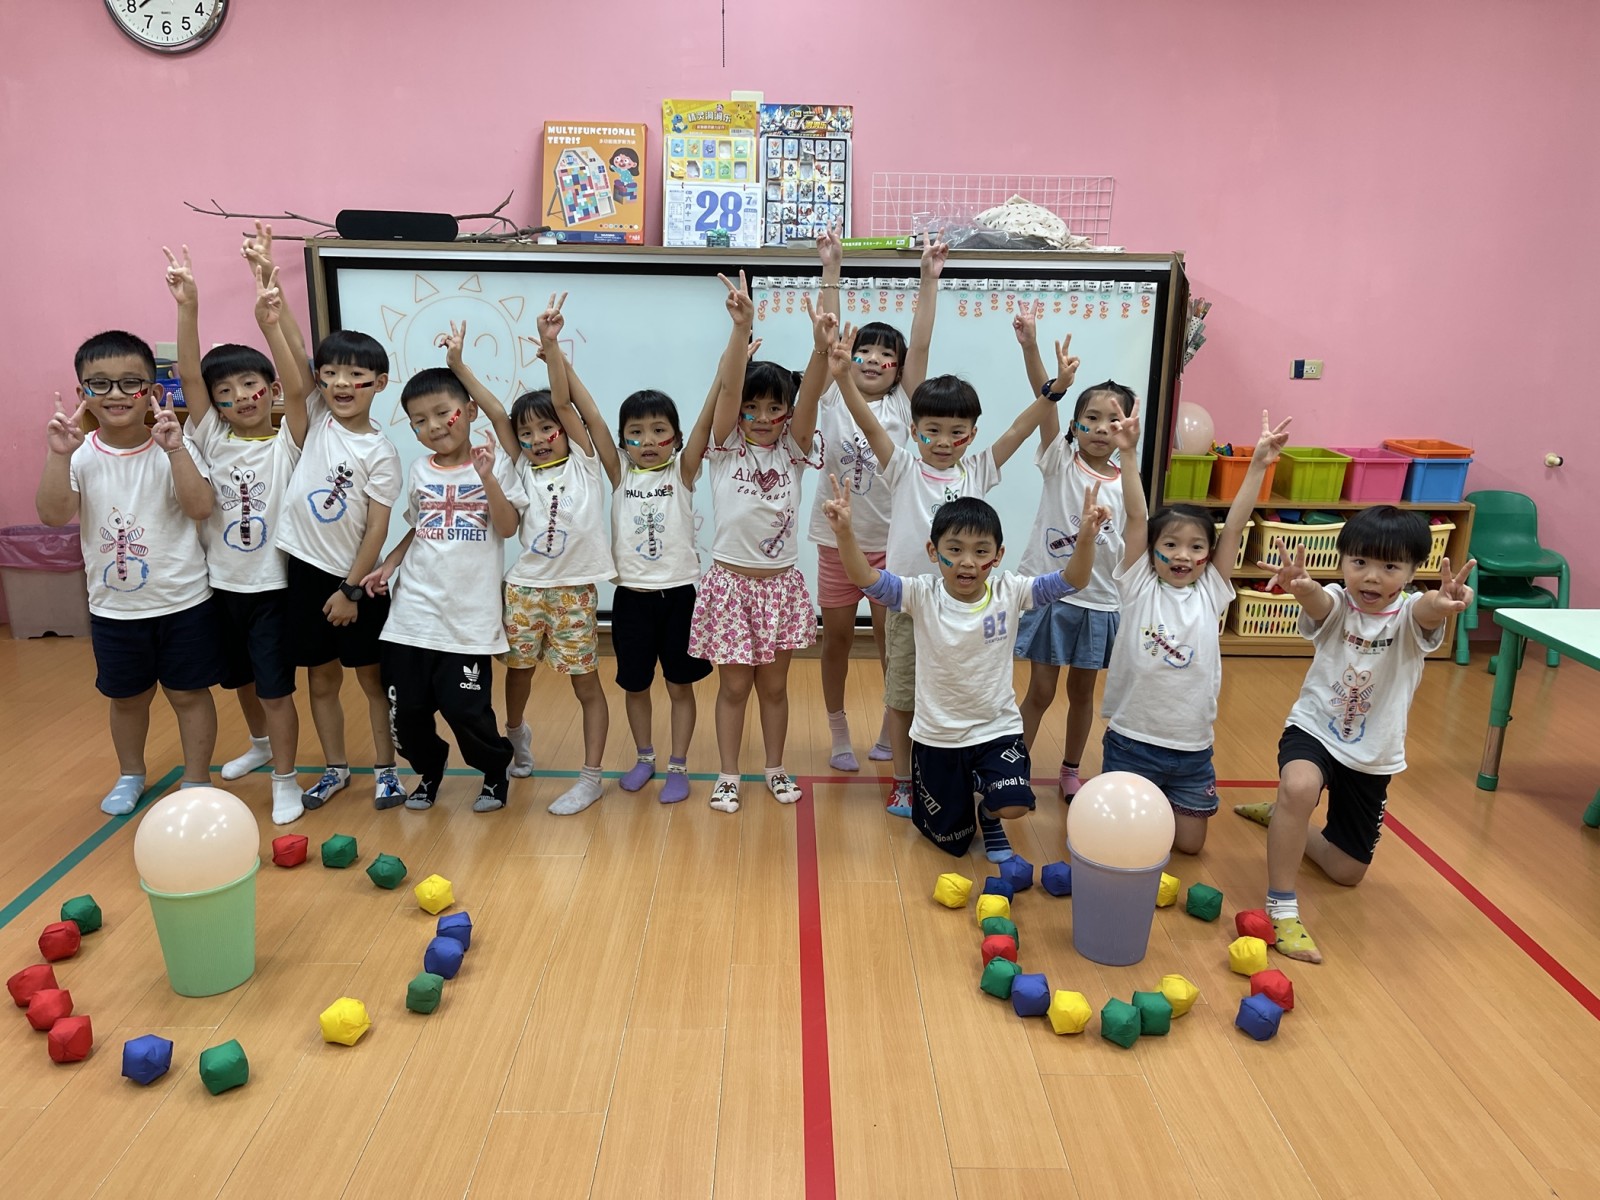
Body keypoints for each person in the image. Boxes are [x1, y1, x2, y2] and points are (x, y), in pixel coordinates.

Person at [827, 320, 1060, 815]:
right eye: (931, 430)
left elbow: (1020, 430)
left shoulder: (978, 469)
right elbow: (868, 425)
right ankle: (903, 781)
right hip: (912, 607)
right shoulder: (903, 468)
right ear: (914, 431)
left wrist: (1053, 391)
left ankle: (961, 764)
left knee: (958, 696)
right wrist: (844, 376)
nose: (944, 441)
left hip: (968, 615)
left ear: (971, 434)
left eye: (957, 432)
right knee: (902, 696)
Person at [1233, 511, 1475, 964]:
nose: (1372, 576)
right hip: (1314, 727)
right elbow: (1318, 603)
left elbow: (1427, 611)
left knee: (1346, 871)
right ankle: (1282, 906)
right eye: (1360, 562)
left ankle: (1286, 820)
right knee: (1299, 786)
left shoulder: (1410, 614)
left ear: (1412, 572)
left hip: (1372, 753)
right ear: (1342, 561)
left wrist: (1443, 603)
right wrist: (1301, 587)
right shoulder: (1337, 602)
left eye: (1390, 567)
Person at [824, 480, 1108, 860]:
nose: (968, 562)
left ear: (998, 555)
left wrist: (1086, 538)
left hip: (996, 730)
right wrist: (845, 533)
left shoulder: (1011, 591)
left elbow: (1072, 581)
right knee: (952, 842)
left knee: (1014, 804)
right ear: (933, 551)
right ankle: (970, 784)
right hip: (938, 736)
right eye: (954, 550)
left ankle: (989, 811)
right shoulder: (920, 593)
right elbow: (866, 579)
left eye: (981, 551)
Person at [441, 296, 619, 815]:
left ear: (564, 431)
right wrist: (458, 365)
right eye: (527, 433)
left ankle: (590, 777)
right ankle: (517, 734)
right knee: (517, 673)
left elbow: (567, 404)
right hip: (524, 590)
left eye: (546, 430)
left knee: (586, 685)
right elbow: (498, 412)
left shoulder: (584, 462)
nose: (537, 439)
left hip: (573, 593)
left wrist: (551, 347)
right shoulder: (520, 467)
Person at [35, 332, 222, 813]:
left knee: (189, 694)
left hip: (183, 601)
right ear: (81, 392)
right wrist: (57, 454)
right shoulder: (78, 454)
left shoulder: (176, 444)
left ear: (152, 391)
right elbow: (54, 515)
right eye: (99, 383)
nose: (115, 394)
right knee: (127, 699)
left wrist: (175, 450)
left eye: (130, 383)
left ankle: (197, 779)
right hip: (114, 609)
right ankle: (131, 774)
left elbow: (201, 508)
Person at [1100, 405, 1291, 855]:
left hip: (1192, 751)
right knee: (1126, 842)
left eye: (1196, 546)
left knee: (1189, 847)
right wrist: (1127, 453)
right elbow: (1135, 517)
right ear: (1152, 551)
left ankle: (1161, 806)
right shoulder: (1139, 584)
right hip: (1133, 743)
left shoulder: (1211, 590)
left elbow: (1236, 524)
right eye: (1170, 544)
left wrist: (1257, 466)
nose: (1183, 555)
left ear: (1208, 553)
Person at [164, 236, 307, 825]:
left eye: (250, 385)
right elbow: (189, 376)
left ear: (268, 390)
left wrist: (270, 322)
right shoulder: (212, 436)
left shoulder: (289, 439)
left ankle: (286, 779)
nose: (239, 397)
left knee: (275, 689)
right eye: (225, 393)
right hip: (219, 585)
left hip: (272, 588)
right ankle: (261, 745)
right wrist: (189, 306)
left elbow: (298, 384)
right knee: (240, 679)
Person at [808, 226, 946, 771]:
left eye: (885, 354)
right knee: (837, 638)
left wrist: (928, 279)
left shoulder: (906, 403)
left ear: (898, 368)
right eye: (863, 349)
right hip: (837, 543)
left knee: (893, 642)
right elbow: (827, 338)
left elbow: (922, 344)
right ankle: (838, 729)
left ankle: (893, 726)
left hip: (894, 546)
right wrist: (831, 268)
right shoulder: (831, 393)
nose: (870, 359)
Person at [360, 368, 525, 812]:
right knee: (406, 714)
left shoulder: (495, 463)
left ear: (468, 411)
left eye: (441, 413)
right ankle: (430, 770)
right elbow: (419, 527)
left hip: (466, 621)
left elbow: (508, 527)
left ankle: (494, 771)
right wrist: (389, 563)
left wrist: (487, 478)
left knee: (466, 711)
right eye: (419, 420)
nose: (433, 426)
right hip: (411, 615)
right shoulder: (420, 469)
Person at [690, 272, 824, 814]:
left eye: (774, 409)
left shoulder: (794, 450)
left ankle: (773, 766)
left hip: (780, 588)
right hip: (731, 587)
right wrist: (740, 329)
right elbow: (727, 391)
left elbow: (811, 396)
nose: (763, 418)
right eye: (753, 408)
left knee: (773, 688)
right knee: (733, 689)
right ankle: (728, 774)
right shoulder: (725, 447)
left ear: (787, 413)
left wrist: (821, 349)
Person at [274, 324, 403, 810]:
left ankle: (387, 771)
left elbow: (377, 530)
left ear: (379, 382)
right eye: (329, 374)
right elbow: (294, 355)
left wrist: (350, 591)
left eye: (355, 375)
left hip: (357, 581)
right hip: (306, 574)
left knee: (372, 681)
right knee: (321, 679)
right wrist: (272, 314)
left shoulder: (381, 453)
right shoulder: (315, 416)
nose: (341, 384)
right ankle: (336, 768)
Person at [1010, 311, 1136, 801]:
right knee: (1040, 691)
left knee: (1082, 694)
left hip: (1099, 602)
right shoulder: (1060, 459)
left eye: (1114, 420)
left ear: (1128, 427)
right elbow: (1045, 400)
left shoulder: (1127, 480)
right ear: (1075, 425)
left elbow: (1138, 531)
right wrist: (1032, 349)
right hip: (1051, 595)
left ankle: (1070, 769)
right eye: (1093, 418)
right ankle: (1014, 769)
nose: (1102, 428)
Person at [608, 344, 721, 806]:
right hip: (631, 600)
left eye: (659, 431)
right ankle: (644, 757)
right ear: (621, 442)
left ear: (676, 438)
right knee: (635, 685)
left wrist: (721, 374)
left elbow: (708, 422)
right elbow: (585, 415)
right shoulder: (620, 473)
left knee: (679, 685)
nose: (648, 441)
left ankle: (678, 764)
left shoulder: (683, 472)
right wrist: (554, 351)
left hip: (678, 598)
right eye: (635, 433)